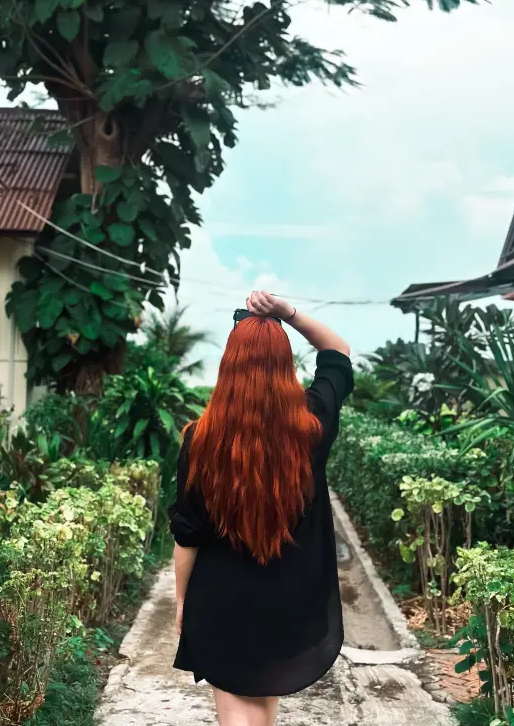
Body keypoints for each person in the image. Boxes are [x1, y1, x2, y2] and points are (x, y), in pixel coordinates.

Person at [168, 290, 354, 726]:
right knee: (261, 711)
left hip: (222, 598)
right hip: (289, 597)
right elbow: (337, 351)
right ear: (284, 363)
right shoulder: (312, 425)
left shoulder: (200, 439)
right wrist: (286, 313)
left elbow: (187, 532)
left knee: (238, 713)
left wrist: (180, 599)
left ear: (229, 365)